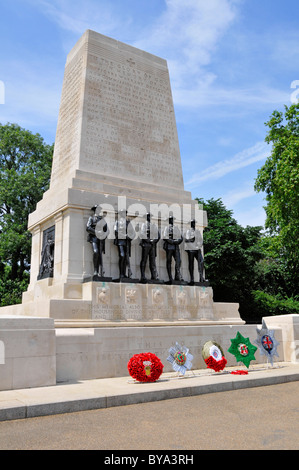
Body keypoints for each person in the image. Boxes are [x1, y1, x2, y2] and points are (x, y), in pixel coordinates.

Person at [86, 205, 109, 278]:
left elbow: (107, 230)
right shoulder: (91, 218)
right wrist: (96, 232)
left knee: (99, 254)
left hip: (101, 239)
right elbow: (88, 228)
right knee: (96, 252)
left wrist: (103, 234)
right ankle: (95, 270)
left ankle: (100, 271)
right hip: (94, 238)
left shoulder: (102, 220)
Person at [114, 209, 135, 279]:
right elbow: (116, 231)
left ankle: (124, 274)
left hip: (127, 242)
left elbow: (133, 233)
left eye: (125, 213)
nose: (124, 214)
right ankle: (121, 274)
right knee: (122, 256)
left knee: (126, 258)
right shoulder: (117, 222)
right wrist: (125, 236)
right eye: (122, 213)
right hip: (120, 242)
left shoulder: (128, 223)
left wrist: (129, 237)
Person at [139, 212, 160, 282]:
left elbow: (158, 235)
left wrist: (153, 241)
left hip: (153, 245)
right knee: (144, 260)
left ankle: (153, 276)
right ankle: (142, 276)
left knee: (152, 261)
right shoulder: (144, 225)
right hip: (146, 244)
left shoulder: (153, 225)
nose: (149, 217)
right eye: (148, 216)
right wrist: (149, 240)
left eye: (150, 216)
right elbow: (142, 234)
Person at [163, 215, 183, 282]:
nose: (171, 220)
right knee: (169, 261)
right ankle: (170, 277)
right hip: (169, 246)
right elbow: (165, 236)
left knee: (178, 261)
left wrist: (177, 241)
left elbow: (181, 237)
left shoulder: (176, 228)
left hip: (176, 246)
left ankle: (177, 276)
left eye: (172, 219)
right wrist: (172, 241)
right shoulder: (166, 228)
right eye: (170, 219)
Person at [184, 219, 205, 284]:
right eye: (192, 223)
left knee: (201, 261)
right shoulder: (188, 231)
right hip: (191, 249)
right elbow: (187, 240)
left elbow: (201, 240)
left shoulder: (197, 231)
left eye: (194, 223)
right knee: (191, 264)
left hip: (197, 249)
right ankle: (192, 279)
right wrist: (194, 247)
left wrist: (199, 245)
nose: (193, 224)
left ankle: (201, 277)